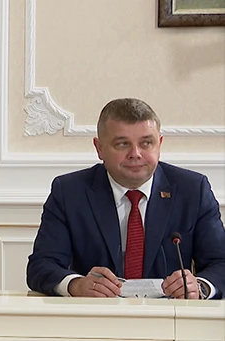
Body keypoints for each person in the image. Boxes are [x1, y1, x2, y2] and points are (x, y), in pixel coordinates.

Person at [27, 98, 225, 299]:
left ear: (159, 144)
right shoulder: (69, 192)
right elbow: (41, 265)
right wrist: (76, 285)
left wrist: (200, 286)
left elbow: (220, 262)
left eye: (146, 143)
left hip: (171, 314)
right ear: (99, 148)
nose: (135, 154)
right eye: (122, 144)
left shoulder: (192, 190)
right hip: (96, 314)